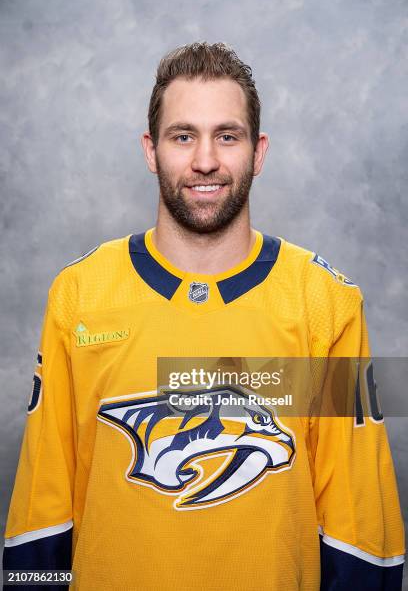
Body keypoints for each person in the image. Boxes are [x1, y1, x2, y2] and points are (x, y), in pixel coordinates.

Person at [2, 42, 405, 590]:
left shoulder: (325, 303)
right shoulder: (80, 294)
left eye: (228, 135)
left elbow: (361, 526)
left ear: (258, 152)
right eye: (183, 135)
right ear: (151, 150)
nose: (206, 160)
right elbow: (41, 511)